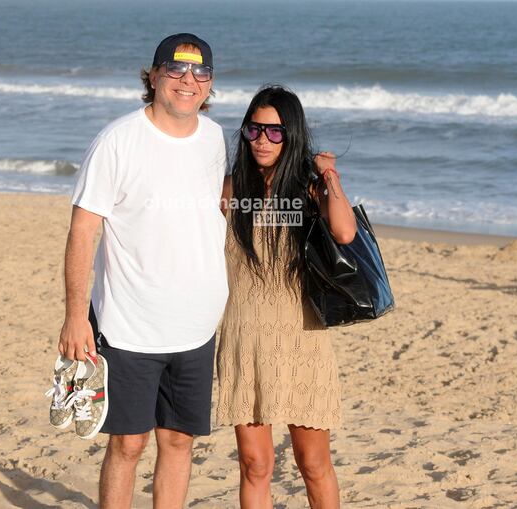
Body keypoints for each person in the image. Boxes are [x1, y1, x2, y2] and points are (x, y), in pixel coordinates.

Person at [59, 33, 229, 508]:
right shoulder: (117, 140)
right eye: (175, 70)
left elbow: (213, 211)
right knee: (128, 445)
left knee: (178, 443)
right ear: (153, 76)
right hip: (128, 326)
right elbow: (82, 232)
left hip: (197, 329)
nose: (187, 81)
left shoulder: (215, 139)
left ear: (210, 84)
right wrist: (75, 316)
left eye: (199, 73)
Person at [217, 85, 357, 509]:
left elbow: (346, 232)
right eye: (255, 130)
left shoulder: (309, 193)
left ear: (291, 136)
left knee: (312, 463)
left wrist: (329, 176)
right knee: (254, 464)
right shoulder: (229, 190)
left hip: (301, 338)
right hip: (244, 338)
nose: (263, 140)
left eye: (275, 133)